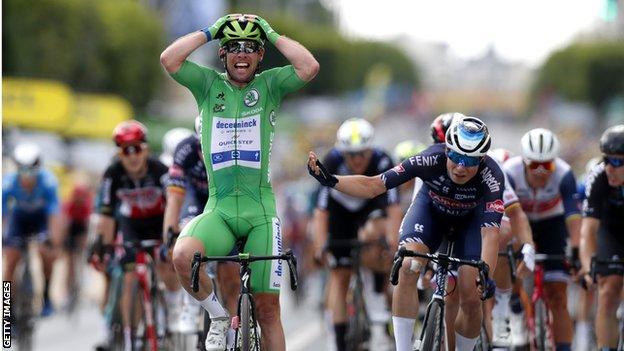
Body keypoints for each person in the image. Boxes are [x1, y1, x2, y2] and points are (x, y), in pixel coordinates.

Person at [161, 13, 319, 351]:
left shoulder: (270, 85)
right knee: (182, 255)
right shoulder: (207, 85)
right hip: (218, 212)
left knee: (268, 311)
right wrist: (211, 31)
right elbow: (169, 59)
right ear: (223, 54)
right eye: (233, 47)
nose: (242, 54)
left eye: (251, 47)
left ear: (260, 55)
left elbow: (308, 67)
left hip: (260, 213)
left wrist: (271, 32)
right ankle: (218, 317)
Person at [308, 115, 503, 351]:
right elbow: (374, 185)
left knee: (471, 296)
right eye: (455, 156)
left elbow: (490, 234)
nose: (460, 166)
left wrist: (487, 275)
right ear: (446, 149)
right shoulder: (429, 158)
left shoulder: (492, 176)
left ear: (482, 159)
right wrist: (331, 180)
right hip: (431, 215)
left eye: (469, 160)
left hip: (469, 224)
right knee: (408, 266)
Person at [313, 118, 402, 351]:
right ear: (343, 153)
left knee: (377, 237)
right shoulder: (331, 160)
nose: (357, 160)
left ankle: (379, 318)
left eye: (362, 153)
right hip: (340, 217)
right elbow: (321, 211)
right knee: (339, 276)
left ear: (370, 149)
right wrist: (320, 245)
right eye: (351, 155)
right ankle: (338, 340)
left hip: (370, 212)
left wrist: (393, 243)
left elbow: (393, 208)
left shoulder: (383, 160)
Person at [94, 120, 171, 351]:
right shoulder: (112, 173)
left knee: (165, 266)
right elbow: (107, 214)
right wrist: (106, 247)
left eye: (136, 148)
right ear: (119, 153)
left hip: (159, 223)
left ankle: (170, 317)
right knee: (129, 278)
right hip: (132, 227)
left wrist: (171, 238)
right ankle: (131, 339)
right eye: (126, 151)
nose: (132, 156)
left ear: (146, 148)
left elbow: (173, 206)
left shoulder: (160, 170)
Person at [503, 128, 581, 351]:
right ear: (523, 161)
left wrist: (575, 250)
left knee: (558, 294)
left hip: (551, 224)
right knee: (514, 272)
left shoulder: (565, 174)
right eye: (534, 164)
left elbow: (573, 217)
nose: (540, 171)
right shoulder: (509, 171)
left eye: (546, 165)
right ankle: (516, 310)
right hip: (519, 221)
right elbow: (505, 216)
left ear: (554, 163)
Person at [3, 143, 61, 317]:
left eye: (32, 169)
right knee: (10, 262)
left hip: (41, 220)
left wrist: (51, 237)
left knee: (47, 255)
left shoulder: (49, 182)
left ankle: (46, 296)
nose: (28, 175)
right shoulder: (8, 183)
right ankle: (8, 313)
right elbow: (2, 212)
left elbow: (54, 214)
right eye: (23, 169)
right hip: (18, 220)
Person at [580, 125, 624, 351]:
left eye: (617, 162)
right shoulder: (598, 176)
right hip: (610, 230)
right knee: (608, 289)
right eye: (607, 160)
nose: (610, 168)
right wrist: (588, 268)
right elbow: (587, 230)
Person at [61, 182, 93, 310]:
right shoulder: (69, 205)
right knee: (69, 263)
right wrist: (64, 240)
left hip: (81, 229)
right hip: (71, 228)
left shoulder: (86, 205)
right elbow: (65, 224)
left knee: (81, 255)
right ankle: (68, 290)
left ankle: (82, 283)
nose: (79, 199)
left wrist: (85, 242)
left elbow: (87, 226)